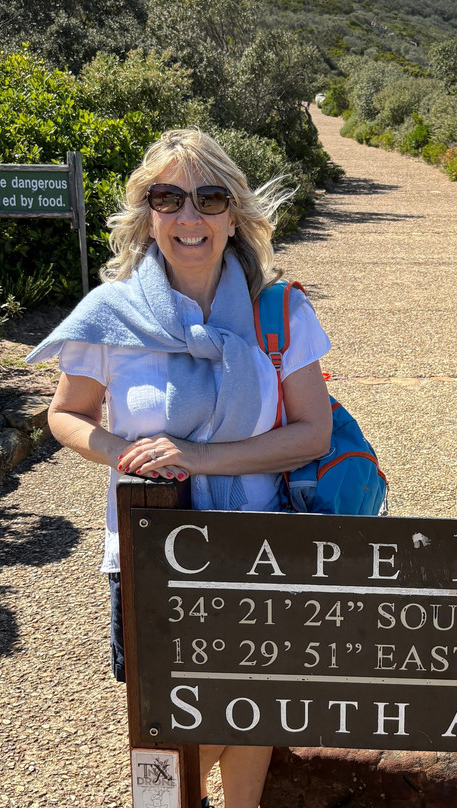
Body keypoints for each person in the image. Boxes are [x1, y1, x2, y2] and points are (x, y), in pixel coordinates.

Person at [27, 129, 333, 808]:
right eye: (168, 198)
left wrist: (199, 458)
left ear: (234, 216)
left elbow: (312, 433)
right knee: (170, 728)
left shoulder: (280, 312)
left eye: (209, 198)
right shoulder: (110, 315)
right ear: (148, 214)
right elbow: (67, 414)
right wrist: (123, 454)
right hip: (149, 557)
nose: (189, 216)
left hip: (257, 549)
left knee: (253, 708)